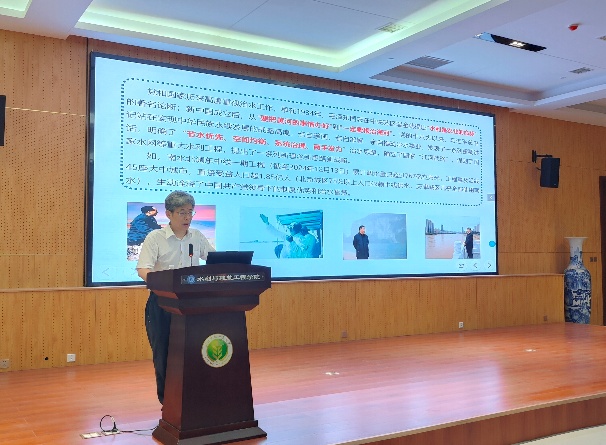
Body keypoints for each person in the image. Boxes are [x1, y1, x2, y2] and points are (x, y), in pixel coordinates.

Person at [136, 191, 215, 405]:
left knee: (194, 352)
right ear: (169, 214)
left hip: (192, 304)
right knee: (164, 353)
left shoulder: (197, 236)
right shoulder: (155, 237)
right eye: (182, 212)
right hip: (163, 302)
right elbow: (143, 269)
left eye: (190, 212)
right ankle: (168, 402)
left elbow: (214, 260)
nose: (188, 217)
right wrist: (161, 283)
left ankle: (194, 399)